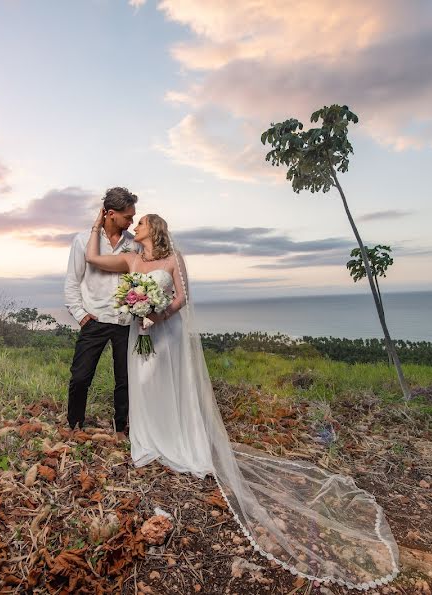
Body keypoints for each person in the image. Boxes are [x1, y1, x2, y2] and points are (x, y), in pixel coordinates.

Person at [85, 209, 401, 591]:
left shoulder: (172, 259)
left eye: (141, 223)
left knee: (172, 385)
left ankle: (180, 440)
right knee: (146, 385)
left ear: (155, 229)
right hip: (142, 332)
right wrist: (95, 228)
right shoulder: (131, 259)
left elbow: (183, 297)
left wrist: (159, 315)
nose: (135, 227)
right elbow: (92, 258)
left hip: (166, 331)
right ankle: (151, 438)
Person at [64, 187, 138, 437]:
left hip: (126, 321)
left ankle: (121, 428)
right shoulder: (83, 240)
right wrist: (80, 314)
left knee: (125, 380)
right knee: (81, 376)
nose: (132, 222)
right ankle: (74, 425)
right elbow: (73, 281)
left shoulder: (133, 244)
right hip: (94, 319)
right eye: (128, 216)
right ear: (110, 213)